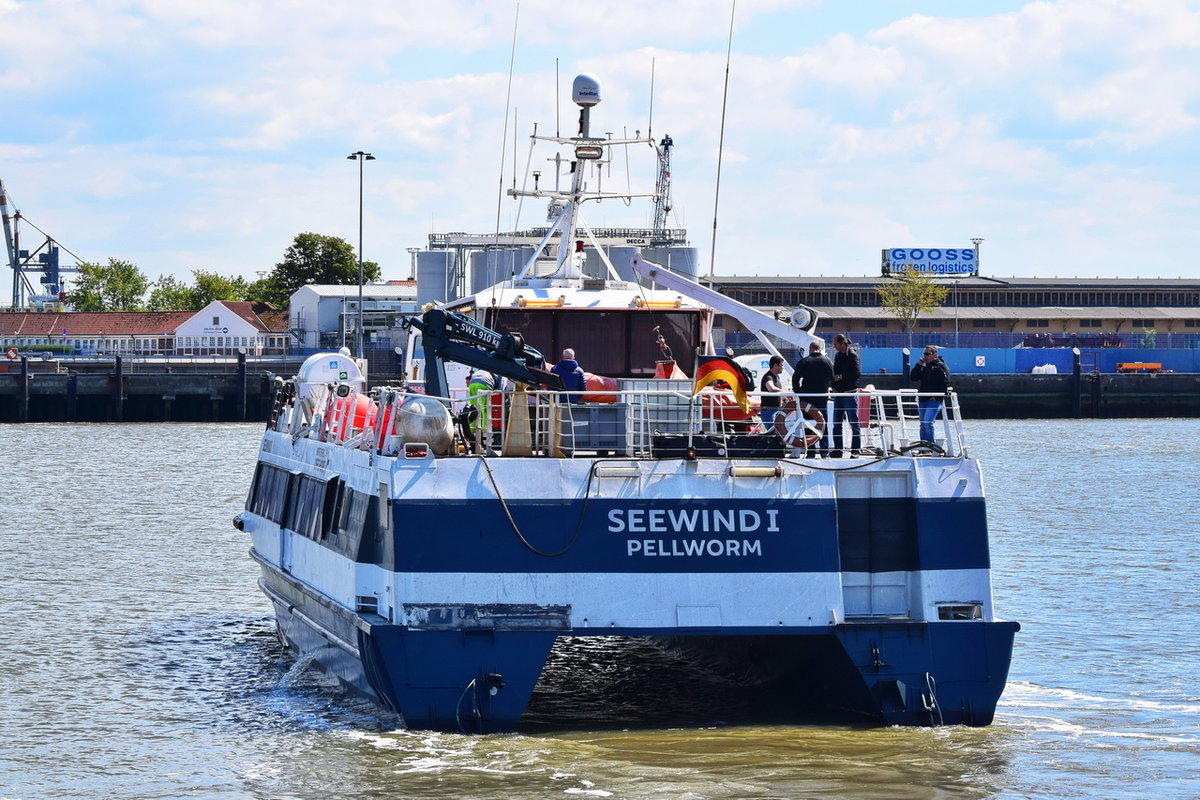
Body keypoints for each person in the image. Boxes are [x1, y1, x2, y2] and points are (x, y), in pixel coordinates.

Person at [792, 341, 834, 454]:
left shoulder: (804, 361)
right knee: (822, 423)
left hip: (807, 397)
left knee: (808, 424)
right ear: (820, 349)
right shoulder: (827, 361)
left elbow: (795, 379)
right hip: (822, 397)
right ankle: (824, 450)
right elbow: (832, 378)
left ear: (810, 349)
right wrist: (827, 388)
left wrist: (799, 392)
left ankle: (810, 450)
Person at [910, 345, 952, 444]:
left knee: (928, 423)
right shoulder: (925, 366)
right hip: (923, 399)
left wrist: (936, 396)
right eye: (924, 354)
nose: (925, 356)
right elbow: (913, 377)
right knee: (923, 424)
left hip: (934, 400)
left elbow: (947, 381)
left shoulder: (940, 366)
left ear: (934, 354)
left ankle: (930, 445)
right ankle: (923, 446)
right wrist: (918, 365)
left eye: (928, 354)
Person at [830, 333, 862, 457]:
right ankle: (838, 449)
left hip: (849, 393)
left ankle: (855, 449)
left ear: (843, 343)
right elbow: (835, 372)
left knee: (853, 422)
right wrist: (833, 386)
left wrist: (841, 377)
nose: (834, 347)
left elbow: (856, 373)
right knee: (837, 423)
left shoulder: (852, 355)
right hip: (838, 394)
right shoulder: (838, 356)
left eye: (836, 344)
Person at [758, 355, 786, 423]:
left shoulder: (776, 377)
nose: (783, 368)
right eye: (781, 365)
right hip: (769, 411)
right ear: (776, 365)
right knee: (772, 432)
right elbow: (771, 388)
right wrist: (785, 393)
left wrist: (784, 399)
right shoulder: (768, 377)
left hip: (775, 410)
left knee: (777, 431)